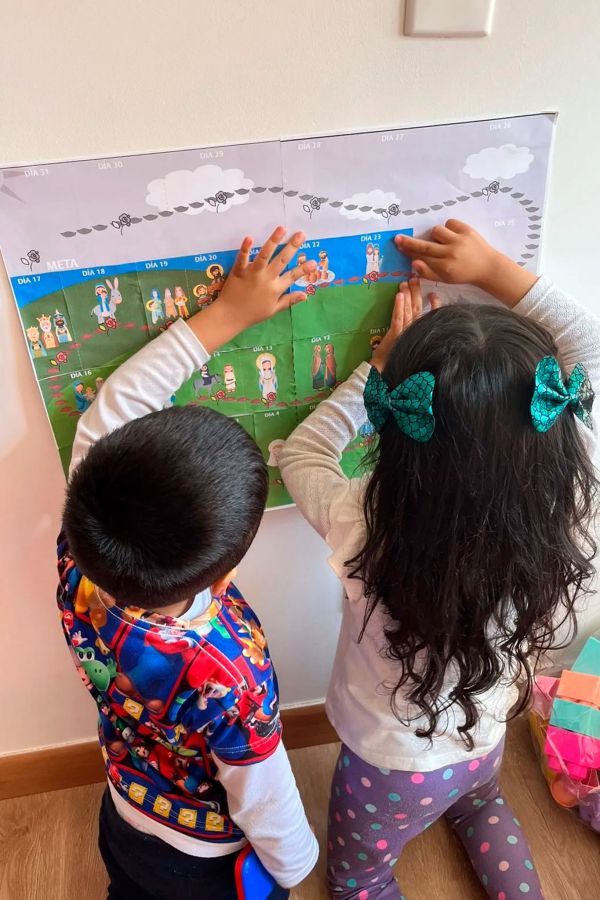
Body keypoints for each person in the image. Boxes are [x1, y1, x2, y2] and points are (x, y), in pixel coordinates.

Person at [279, 219, 600, 900]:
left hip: (391, 765)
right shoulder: (584, 484)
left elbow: (302, 453)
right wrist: (492, 270)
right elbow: (592, 347)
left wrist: (377, 364)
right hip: (487, 732)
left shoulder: (370, 522)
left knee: (361, 875)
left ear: (402, 430)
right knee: (483, 804)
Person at [58, 226, 318, 900]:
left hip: (123, 808)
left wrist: (225, 314)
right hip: (202, 859)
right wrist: (294, 869)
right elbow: (263, 790)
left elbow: (108, 415)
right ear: (223, 577)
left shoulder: (80, 548)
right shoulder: (231, 677)